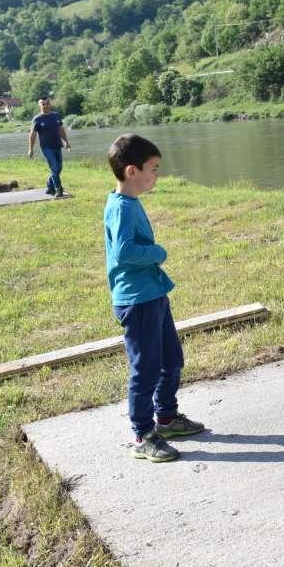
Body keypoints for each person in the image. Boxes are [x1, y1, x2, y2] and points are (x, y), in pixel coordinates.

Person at [105, 134, 206, 463]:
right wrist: (157, 252)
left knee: (171, 359)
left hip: (153, 292)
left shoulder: (131, 203)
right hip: (137, 300)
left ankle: (166, 417)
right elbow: (123, 252)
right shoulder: (120, 207)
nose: (157, 175)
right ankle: (143, 434)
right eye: (154, 169)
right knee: (145, 369)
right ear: (132, 171)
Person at [27, 96, 69, 197]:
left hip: (57, 146)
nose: (45, 106)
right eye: (43, 104)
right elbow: (32, 135)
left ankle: (49, 187)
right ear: (39, 105)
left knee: (58, 169)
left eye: (47, 104)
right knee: (54, 168)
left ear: (50, 104)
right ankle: (58, 189)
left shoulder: (56, 116)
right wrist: (30, 149)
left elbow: (61, 130)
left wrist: (66, 142)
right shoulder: (37, 119)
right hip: (46, 148)